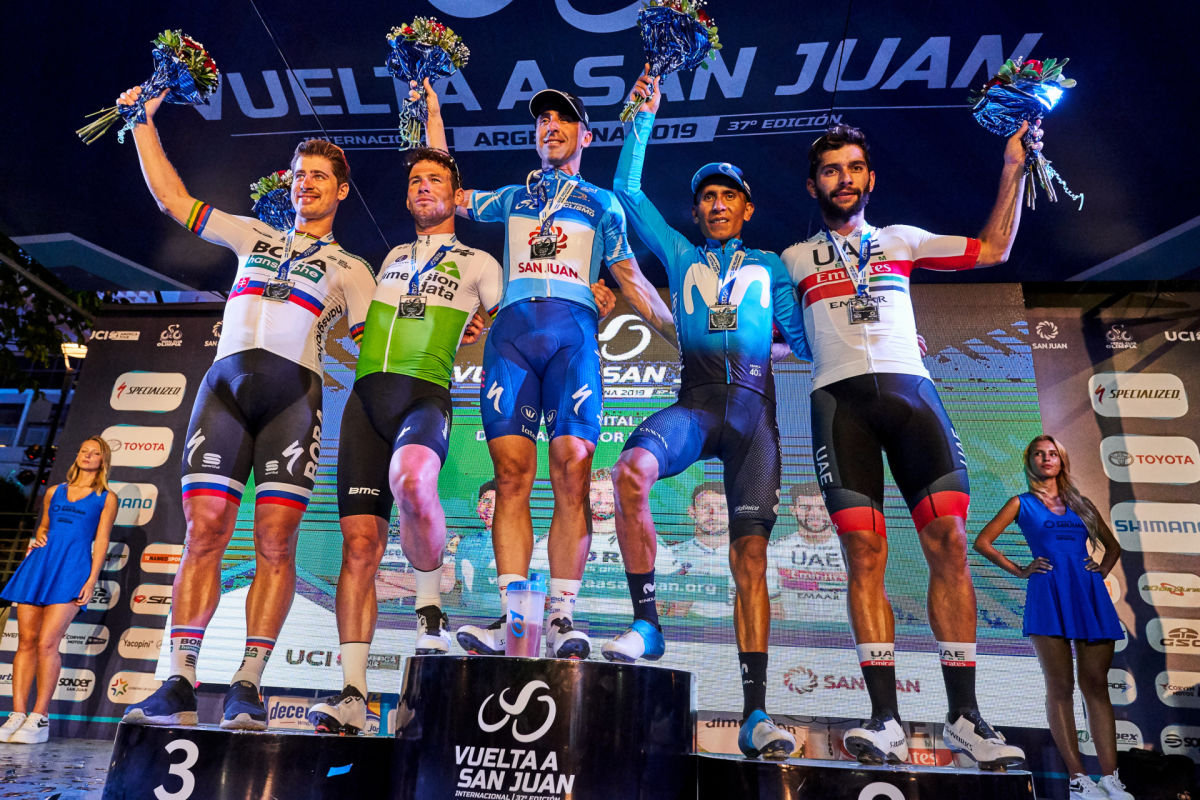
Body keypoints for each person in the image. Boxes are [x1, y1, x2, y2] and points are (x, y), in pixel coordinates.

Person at [779, 120, 1040, 767]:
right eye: (831, 170)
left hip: (912, 395)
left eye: (854, 167)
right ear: (812, 185)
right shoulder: (791, 260)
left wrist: (1012, 167)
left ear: (870, 177)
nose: (844, 179)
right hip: (838, 405)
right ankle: (885, 719)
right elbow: (774, 338)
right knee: (864, 554)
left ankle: (965, 718)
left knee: (949, 541)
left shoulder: (900, 239)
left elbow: (992, 250)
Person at [117, 86, 377, 730]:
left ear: (342, 190)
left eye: (319, 176)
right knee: (204, 532)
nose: (306, 183)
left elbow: (379, 345)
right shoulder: (253, 233)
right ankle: (179, 679)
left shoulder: (351, 267)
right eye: (299, 175)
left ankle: (248, 684)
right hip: (224, 392)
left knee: (275, 541)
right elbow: (172, 200)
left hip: (294, 400)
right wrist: (141, 122)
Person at [421, 81, 674, 659]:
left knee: (572, 472)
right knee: (510, 476)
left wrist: (691, 344)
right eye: (543, 120)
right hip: (511, 340)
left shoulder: (603, 204)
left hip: (572, 340)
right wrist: (432, 110)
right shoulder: (512, 197)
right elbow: (446, 186)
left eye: (564, 119)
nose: (551, 126)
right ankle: (514, 619)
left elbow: (633, 281)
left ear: (586, 136)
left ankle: (561, 616)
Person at [600, 69, 810, 760]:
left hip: (754, 423)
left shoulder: (771, 266)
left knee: (750, 559)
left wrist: (878, 339)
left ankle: (756, 714)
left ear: (747, 208)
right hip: (694, 407)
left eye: (729, 196)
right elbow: (628, 190)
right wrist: (642, 115)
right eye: (708, 198)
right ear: (697, 212)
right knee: (630, 471)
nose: (717, 205)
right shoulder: (681, 253)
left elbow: (803, 340)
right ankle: (648, 624)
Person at [306, 144, 501, 734]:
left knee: (413, 480)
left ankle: (430, 611)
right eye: (415, 179)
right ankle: (353, 696)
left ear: (455, 194)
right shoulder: (390, 257)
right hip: (365, 403)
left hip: (424, 395)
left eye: (434, 179)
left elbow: (506, 322)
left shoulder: (479, 262)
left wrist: (484, 323)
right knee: (359, 547)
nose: (422, 187)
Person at [974, 436, 1133, 800]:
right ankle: (1078, 779)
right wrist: (1020, 570)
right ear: (1029, 461)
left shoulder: (1081, 504)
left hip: (1088, 596)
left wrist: (1099, 572)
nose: (1046, 459)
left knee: (1096, 685)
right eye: (1039, 454)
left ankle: (1111, 779)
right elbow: (982, 542)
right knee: (1060, 688)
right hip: (1047, 595)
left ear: (1061, 461)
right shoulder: (1021, 503)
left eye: (1052, 454)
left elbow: (1112, 547)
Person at [0, 437, 117, 744]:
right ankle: (17, 714)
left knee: (47, 643)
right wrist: (38, 538)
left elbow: (102, 541)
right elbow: (44, 527)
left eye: (94, 453)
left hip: (73, 569)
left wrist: (91, 580)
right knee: (26, 641)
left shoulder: (106, 497)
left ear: (103, 460)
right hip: (40, 565)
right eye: (83, 451)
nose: (87, 455)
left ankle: (39, 717)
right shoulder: (54, 491)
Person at [768, 483, 845, 623]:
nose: (814, 514)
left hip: (843, 631)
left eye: (822, 508)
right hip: (793, 631)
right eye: (805, 507)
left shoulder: (850, 550)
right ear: (793, 510)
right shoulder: (774, 550)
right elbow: (772, 606)